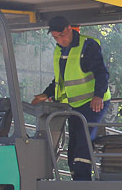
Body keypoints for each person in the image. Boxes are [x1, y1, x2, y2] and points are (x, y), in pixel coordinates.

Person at [31, 16, 111, 180]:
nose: (60, 40)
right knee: (73, 143)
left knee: (84, 140)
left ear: (69, 29)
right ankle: (76, 178)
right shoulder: (60, 50)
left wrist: (98, 96)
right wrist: (46, 94)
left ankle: (83, 181)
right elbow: (60, 80)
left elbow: (102, 73)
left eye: (62, 36)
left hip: (93, 103)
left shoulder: (88, 46)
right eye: (55, 38)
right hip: (74, 105)